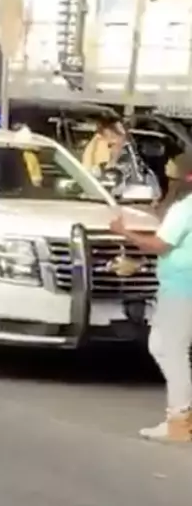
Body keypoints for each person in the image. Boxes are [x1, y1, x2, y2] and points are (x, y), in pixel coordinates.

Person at [110, 155, 192, 441]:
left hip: (182, 289)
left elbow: (160, 245)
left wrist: (124, 232)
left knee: (170, 349)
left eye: (171, 177)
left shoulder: (184, 209)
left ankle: (180, 421)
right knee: (163, 346)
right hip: (181, 285)